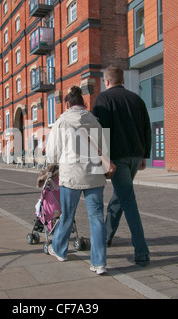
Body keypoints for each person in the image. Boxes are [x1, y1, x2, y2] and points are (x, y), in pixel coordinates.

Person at [46, 86, 115, 275]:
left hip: (71, 175)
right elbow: (104, 148)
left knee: (67, 215)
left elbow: (52, 154)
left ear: (68, 103)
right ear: (83, 103)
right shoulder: (94, 121)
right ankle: (99, 263)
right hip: (94, 174)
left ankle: (60, 251)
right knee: (96, 218)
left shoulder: (61, 123)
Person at [92, 65, 152, 266]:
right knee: (121, 195)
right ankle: (107, 235)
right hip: (135, 155)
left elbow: (101, 131)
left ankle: (142, 251)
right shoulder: (137, 99)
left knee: (128, 200)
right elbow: (146, 128)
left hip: (117, 158)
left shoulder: (103, 99)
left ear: (106, 81)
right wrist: (144, 154)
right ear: (122, 79)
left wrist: (102, 159)